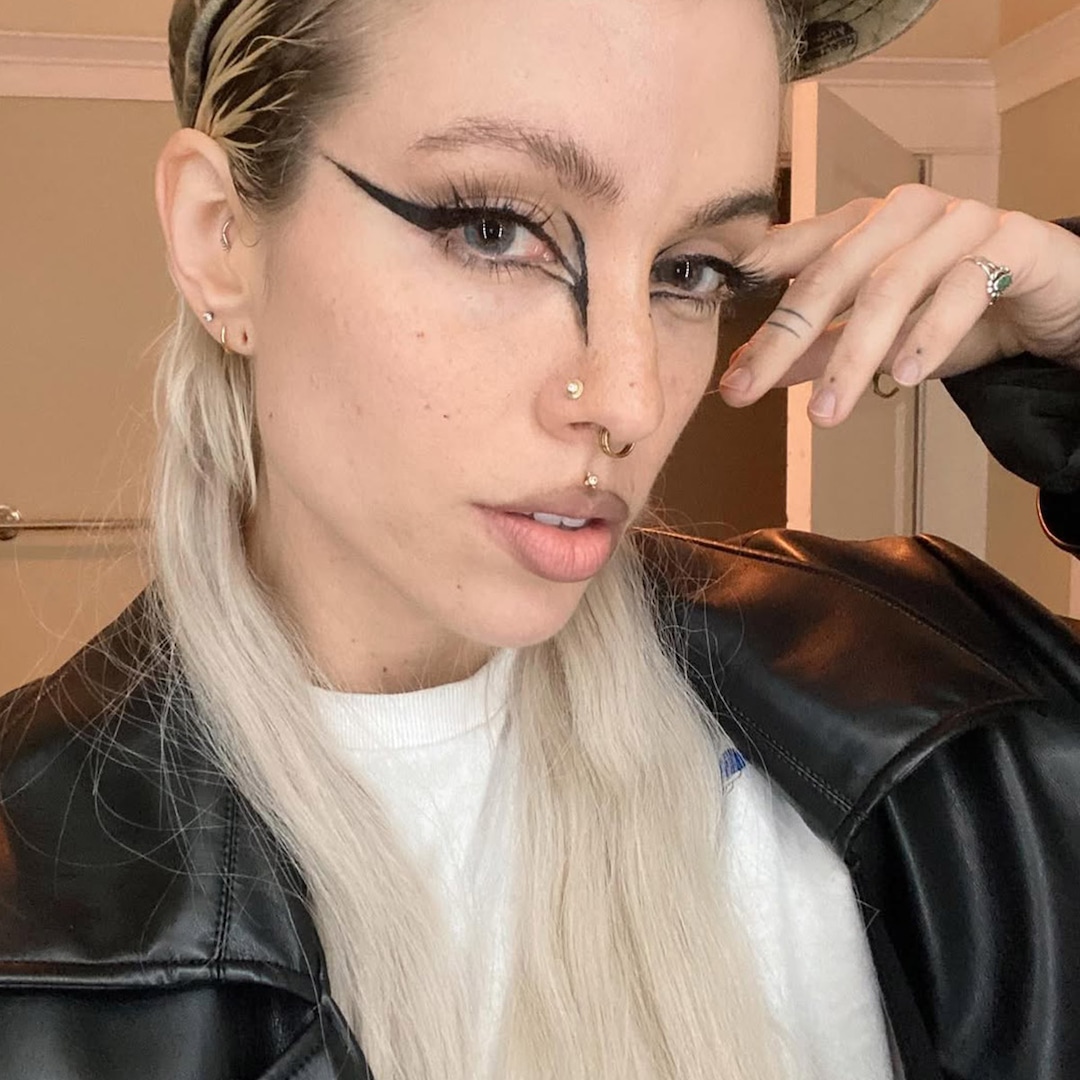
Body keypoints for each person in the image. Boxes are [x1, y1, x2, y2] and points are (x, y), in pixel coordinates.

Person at [0, 0, 1077, 1078]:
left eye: (692, 268)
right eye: (494, 230)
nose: (628, 400)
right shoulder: (28, 919)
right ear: (220, 237)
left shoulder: (928, 686)